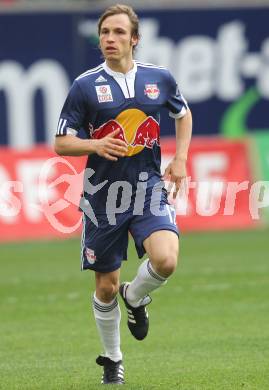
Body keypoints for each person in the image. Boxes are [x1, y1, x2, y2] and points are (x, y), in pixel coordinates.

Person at [54, 3, 192, 385]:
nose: (109, 39)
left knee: (166, 260)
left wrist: (179, 158)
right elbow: (61, 144)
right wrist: (94, 146)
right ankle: (113, 358)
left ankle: (135, 297)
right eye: (104, 33)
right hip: (103, 196)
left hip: (147, 187)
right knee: (105, 286)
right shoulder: (84, 86)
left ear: (135, 39)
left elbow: (182, 114)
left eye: (117, 32)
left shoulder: (159, 78)